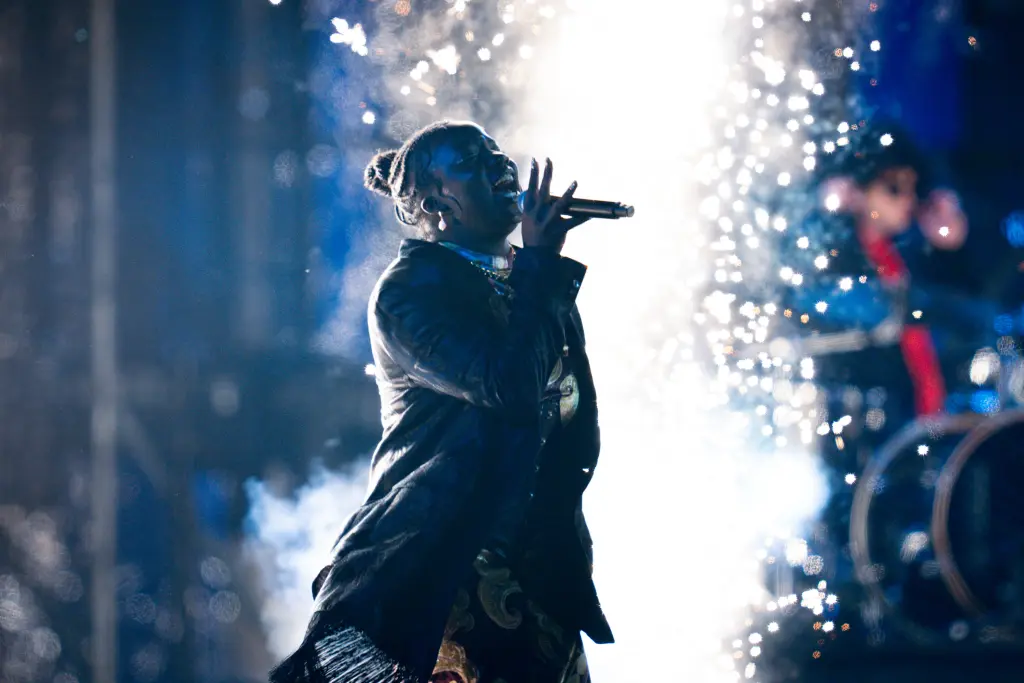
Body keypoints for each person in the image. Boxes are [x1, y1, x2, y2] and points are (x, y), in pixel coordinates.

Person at [269, 120, 612, 683]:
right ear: (435, 204)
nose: (500, 165)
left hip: (539, 571)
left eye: (497, 153)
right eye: (473, 161)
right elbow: (510, 388)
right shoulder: (409, 292)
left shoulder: (528, 280)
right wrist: (543, 265)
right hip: (449, 568)